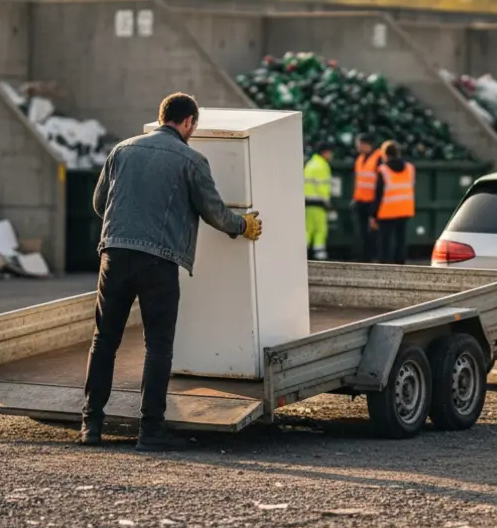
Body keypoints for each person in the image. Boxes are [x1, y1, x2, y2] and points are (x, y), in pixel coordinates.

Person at [82, 92, 263, 451]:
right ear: (188, 122)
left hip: (114, 256)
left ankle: (91, 425)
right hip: (158, 262)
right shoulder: (192, 160)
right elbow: (214, 212)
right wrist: (242, 226)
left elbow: (99, 203)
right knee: (158, 347)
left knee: (104, 341)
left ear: (161, 116)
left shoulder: (122, 150)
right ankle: (150, 432)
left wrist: (126, 229)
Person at [371, 141, 415, 265]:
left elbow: (378, 195)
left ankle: (385, 263)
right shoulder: (409, 168)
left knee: (385, 240)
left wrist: (373, 215)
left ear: (385, 154)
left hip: (387, 211)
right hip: (405, 209)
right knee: (401, 239)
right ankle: (400, 263)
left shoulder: (383, 170)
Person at [351, 135, 384, 262]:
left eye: (359, 144)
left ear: (366, 144)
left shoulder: (378, 158)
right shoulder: (360, 159)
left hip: (372, 202)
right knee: (362, 233)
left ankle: (372, 256)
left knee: (373, 233)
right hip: (360, 201)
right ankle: (364, 256)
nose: (358, 147)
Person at [303, 142, 334, 260]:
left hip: (307, 203)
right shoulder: (322, 165)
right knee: (321, 230)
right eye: (330, 152)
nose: (331, 155)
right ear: (325, 152)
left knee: (308, 229)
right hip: (318, 203)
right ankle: (320, 256)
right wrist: (328, 202)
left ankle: (303, 253)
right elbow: (323, 187)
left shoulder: (310, 164)